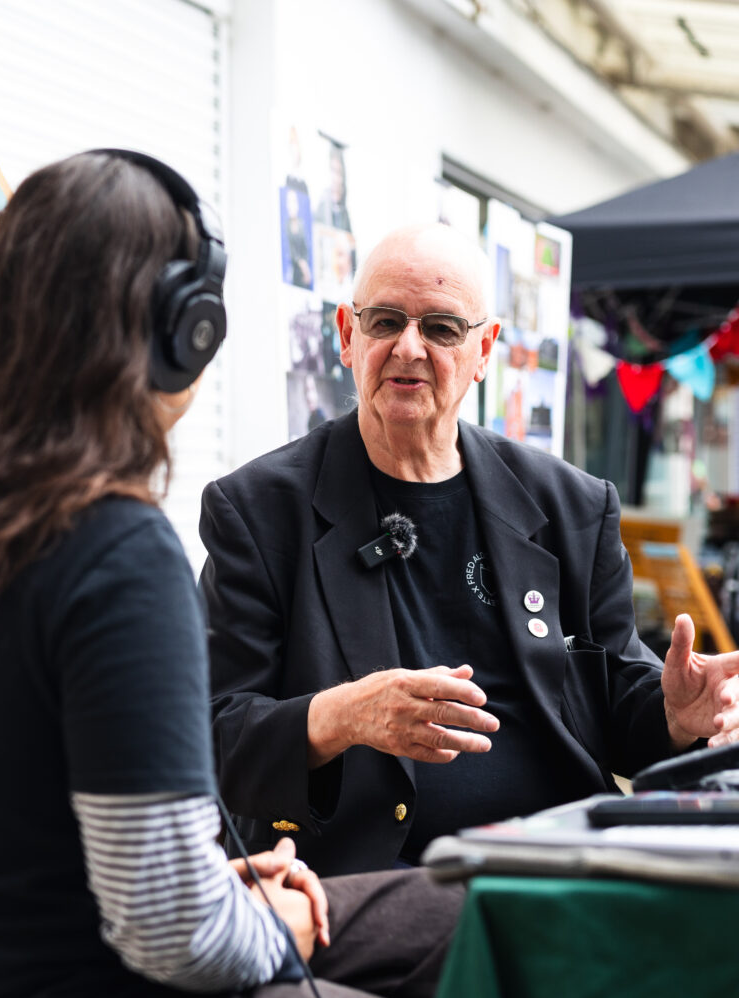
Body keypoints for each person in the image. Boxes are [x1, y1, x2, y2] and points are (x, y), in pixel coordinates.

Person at [0, 153, 463, 998]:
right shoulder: (112, 550)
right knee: (469, 916)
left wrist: (221, 894)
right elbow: (174, 933)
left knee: (437, 902)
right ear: (184, 330)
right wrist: (289, 923)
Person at [199, 222, 739, 877]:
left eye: (442, 329)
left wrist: (675, 714)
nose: (408, 347)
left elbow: (622, 710)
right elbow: (214, 737)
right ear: (347, 335)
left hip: (559, 858)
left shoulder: (571, 506)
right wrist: (341, 716)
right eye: (385, 322)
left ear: (485, 351)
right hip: (368, 874)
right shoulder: (259, 511)